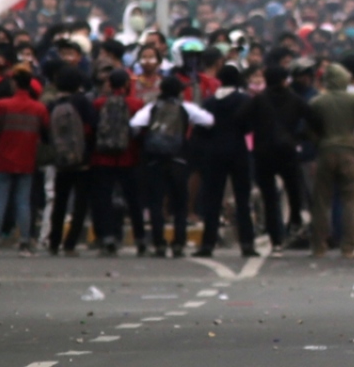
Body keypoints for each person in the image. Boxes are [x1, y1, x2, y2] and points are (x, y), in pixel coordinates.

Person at [129, 76, 214, 258]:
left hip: (155, 160)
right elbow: (208, 121)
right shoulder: (186, 108)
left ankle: (159, 244)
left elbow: (134, 124)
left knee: (156, 203)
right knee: (180, 204)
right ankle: (178, 243)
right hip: (179, 160)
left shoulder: (152, 108)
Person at [240, 65, 313, 253]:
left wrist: (254, 130)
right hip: (288, 151)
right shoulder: (294, 99)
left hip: (263, 152)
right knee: (293, 190)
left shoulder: (259, 100)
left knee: (270, 197)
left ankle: (276, 239)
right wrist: (300, 136)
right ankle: (295, 221)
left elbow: (240, 117)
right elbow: (313, 118)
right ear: (283, 80)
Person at [306, 63, 354, 258]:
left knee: (321, 201)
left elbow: (307, 126)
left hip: (325, 150)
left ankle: (319, 246)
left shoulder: (318, 101)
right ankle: (349, 246)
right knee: (349, 200)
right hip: (348, 150)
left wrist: (318, 141)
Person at [0, 67, 48, 256]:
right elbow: (46, 129)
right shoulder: (39, 108)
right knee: (23, 202)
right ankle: (25, 243)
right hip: (27, 160)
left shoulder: (2, 106)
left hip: (3, 159)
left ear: (14, 83)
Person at [193, 65, 257, 258]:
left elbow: (201, 128)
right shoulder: (244, 100)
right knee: (242, 199)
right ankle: (247, 243)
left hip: (214, 153)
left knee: (212, 199)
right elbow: (249, 126)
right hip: (238, 152)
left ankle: (207, 244)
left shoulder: (209, 102)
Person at [89, 69, 147, 257]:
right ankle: (140, 238)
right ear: (127, 84)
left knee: (104, 199)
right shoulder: (136, 104)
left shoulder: (99, 104)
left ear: (109, 84)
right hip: (129, 157)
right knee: (133, 199)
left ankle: (107, 237)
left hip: (102, 157)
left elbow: (91, 129)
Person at [45, 67, 96, 256]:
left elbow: (46, 130)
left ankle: (54, 241)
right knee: (80, 204)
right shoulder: (82, 102)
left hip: (61, 160)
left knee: (60, 201)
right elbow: (93, 125)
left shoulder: (53, 104)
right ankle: (70, 244)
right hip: (82, 159)